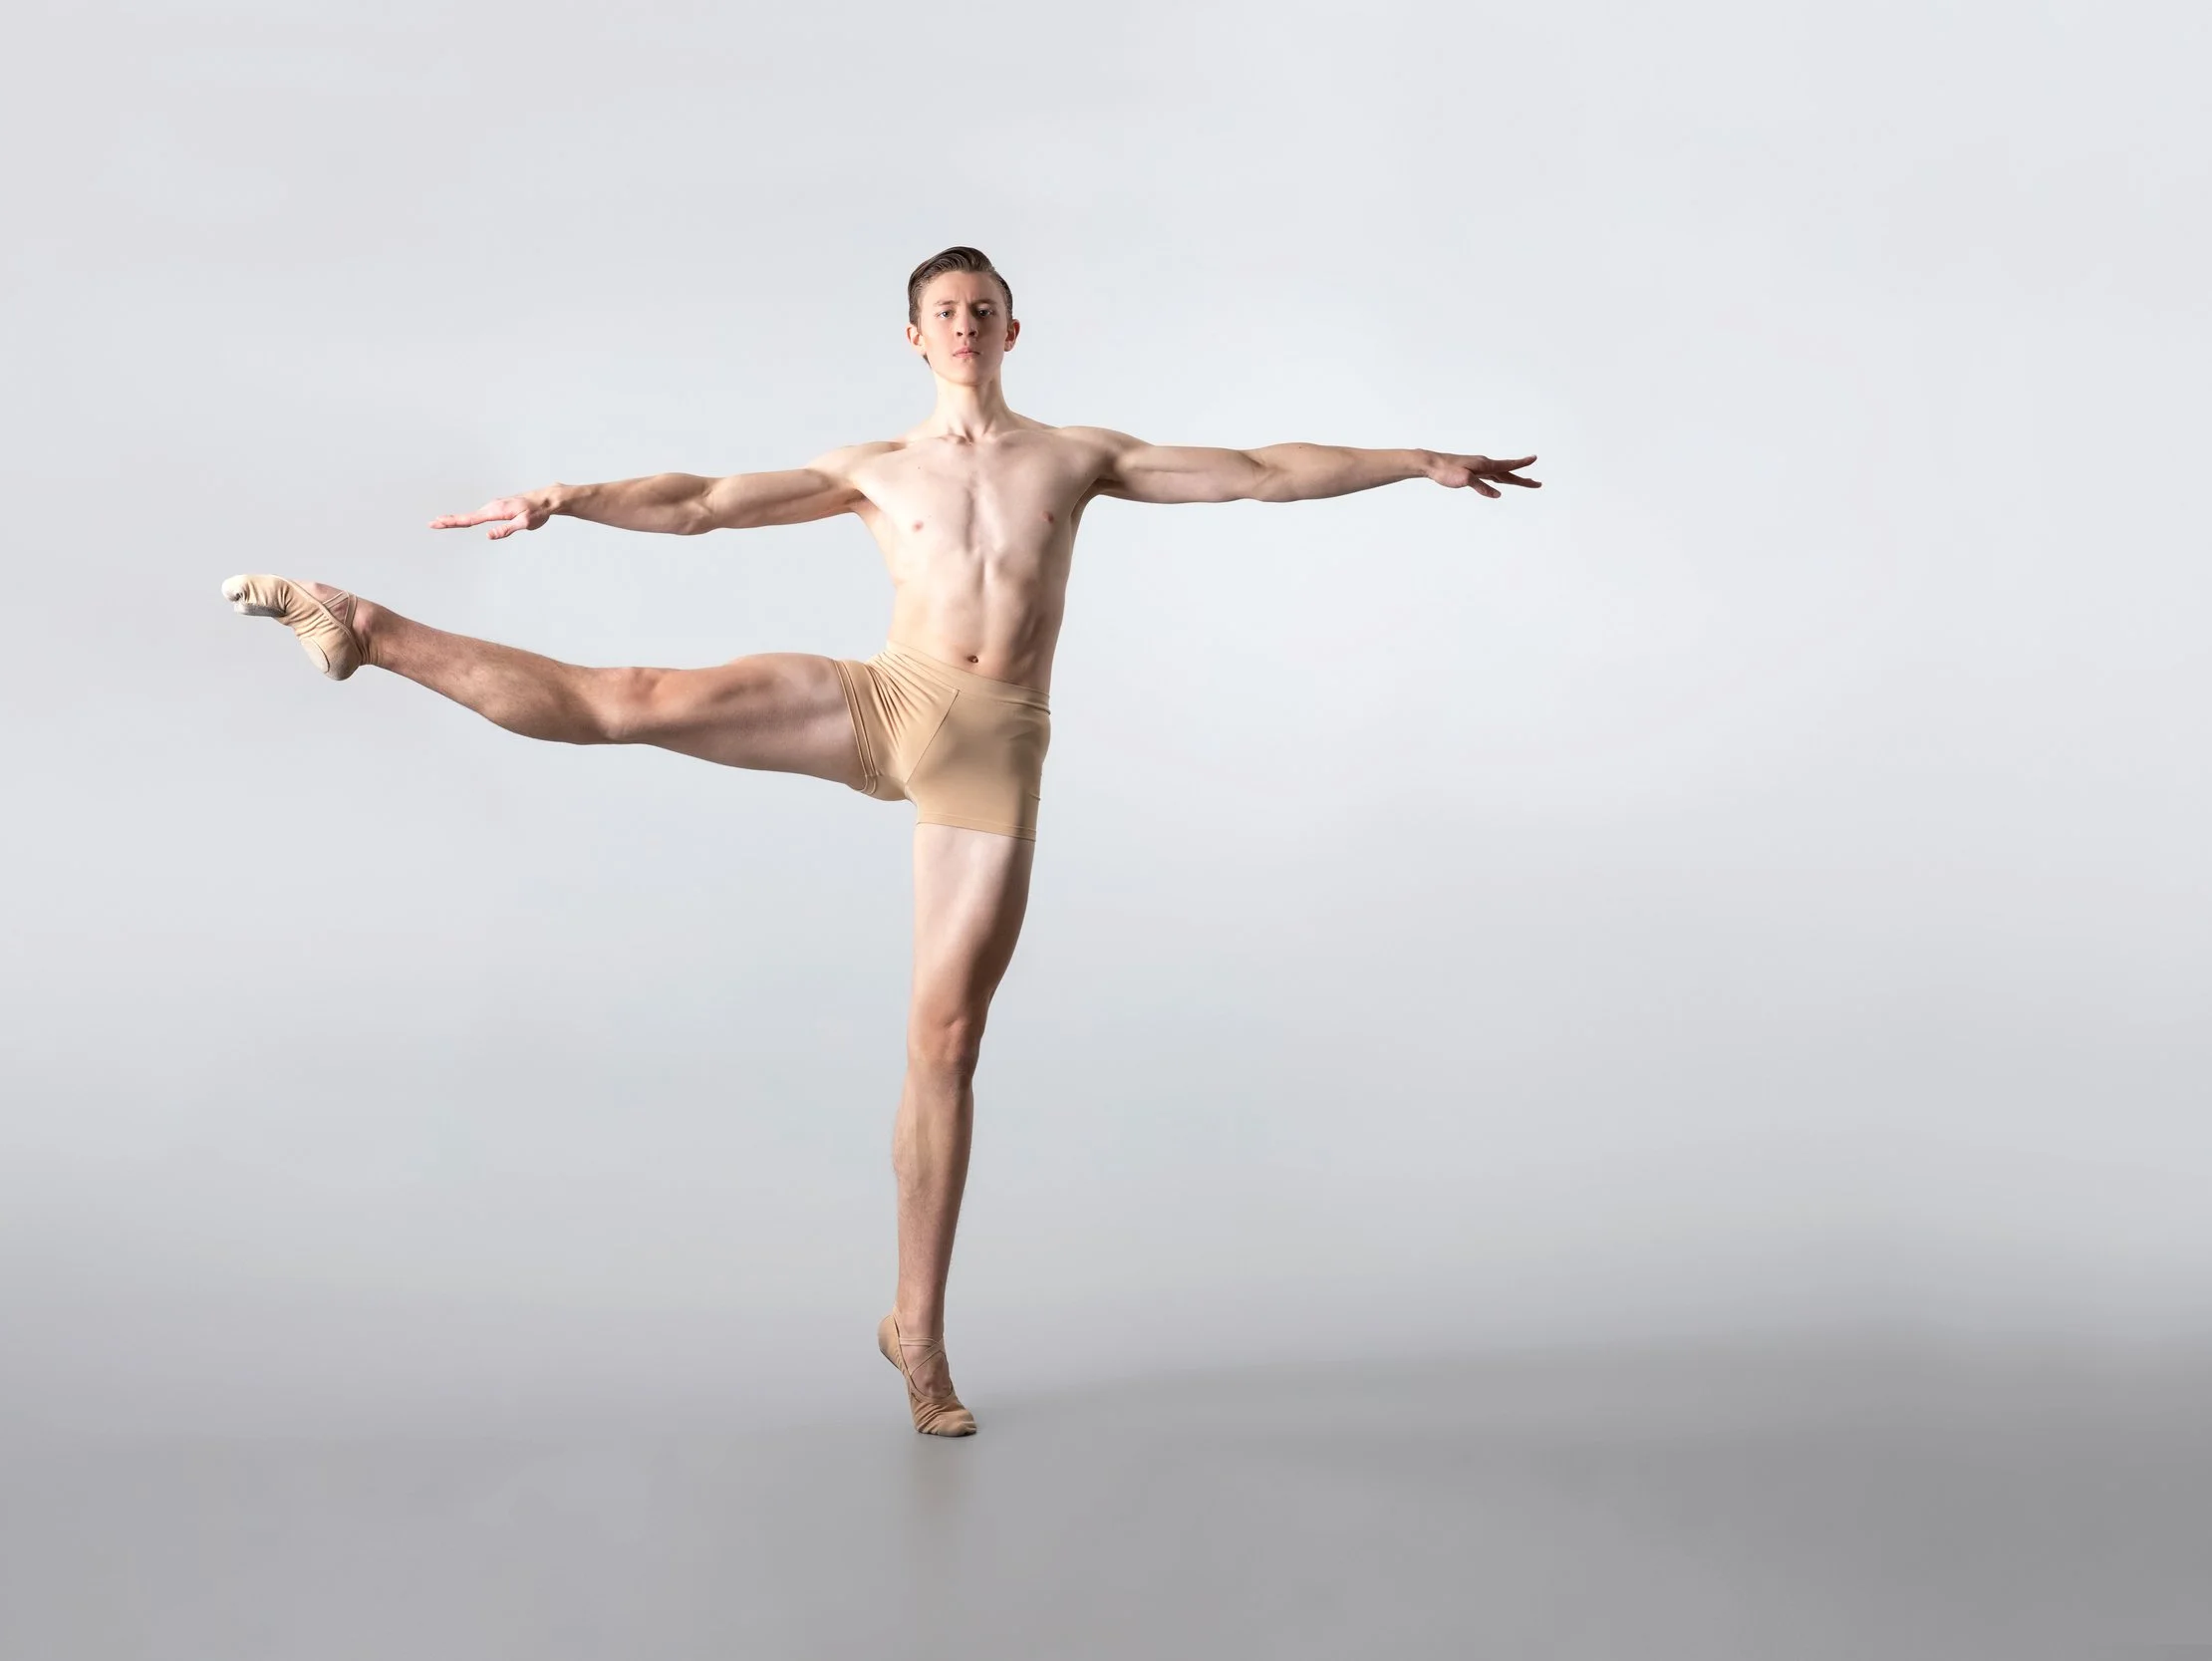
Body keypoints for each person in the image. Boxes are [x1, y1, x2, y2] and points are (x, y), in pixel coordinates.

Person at [223, 245, 1539, 1436]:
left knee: (946, 1044)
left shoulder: (1074, 456)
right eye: (942, 311)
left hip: (992, 745)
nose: (963, 324)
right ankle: (364, 626)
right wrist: (570, 497)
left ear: (1013, 329)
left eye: (982, 308)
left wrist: (1412, 459)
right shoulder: (874, 468)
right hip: (886, 699)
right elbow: (701, 501)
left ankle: (918, 1331)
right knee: (625, 698)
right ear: (914, 338)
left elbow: (1257, 473)